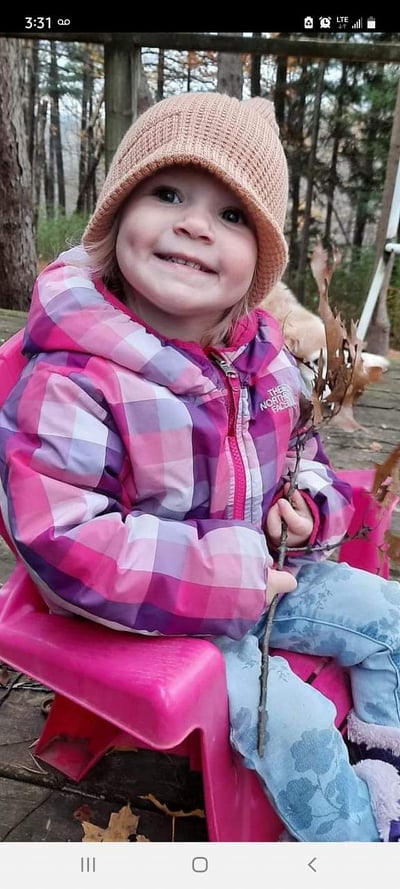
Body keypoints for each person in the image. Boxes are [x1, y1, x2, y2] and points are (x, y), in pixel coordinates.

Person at [0, 91, 399, 843]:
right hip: (145, 614)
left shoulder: (265, 358)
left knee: (390, 616)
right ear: (117, 213)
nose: (195, 224)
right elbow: (60, 537)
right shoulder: (77, 376)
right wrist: (224, 575)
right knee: (292, 723)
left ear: (260, 263)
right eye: (169, 193)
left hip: (268, 574)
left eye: (232, 214)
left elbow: (305, 456)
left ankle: (383, 754)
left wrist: (308, 509)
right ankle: (357, 846)